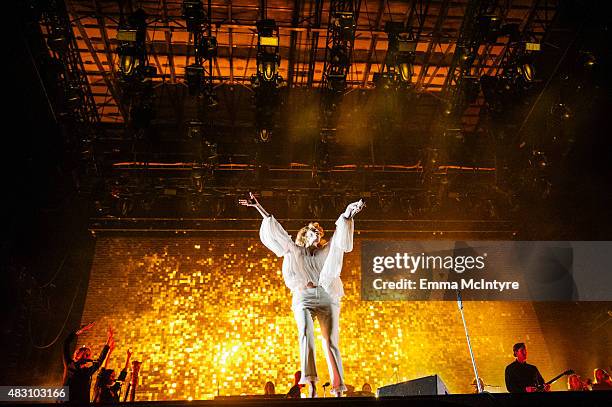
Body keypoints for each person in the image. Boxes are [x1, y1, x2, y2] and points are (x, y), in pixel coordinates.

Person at [240, 192, 364, 397]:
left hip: (327, 297)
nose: (318, 233)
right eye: (313, 231)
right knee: (306, 334)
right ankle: (312, 382)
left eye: (319, 231)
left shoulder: (326, 250)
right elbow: (277, 231)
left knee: (330, 341)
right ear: (305, 234)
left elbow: (341, 234)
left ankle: (338, 386)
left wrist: (349, 213)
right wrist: (257, 206)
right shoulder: (295, 250)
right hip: (304, 298)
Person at [62, 322, 113, 403]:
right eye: (86, 354)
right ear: (78, 355)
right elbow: (66, 343)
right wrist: (82, 329)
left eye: (89, 355)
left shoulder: (87, 371)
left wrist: (108, 342)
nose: (88, 357)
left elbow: (100, 361)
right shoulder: (69, 364)